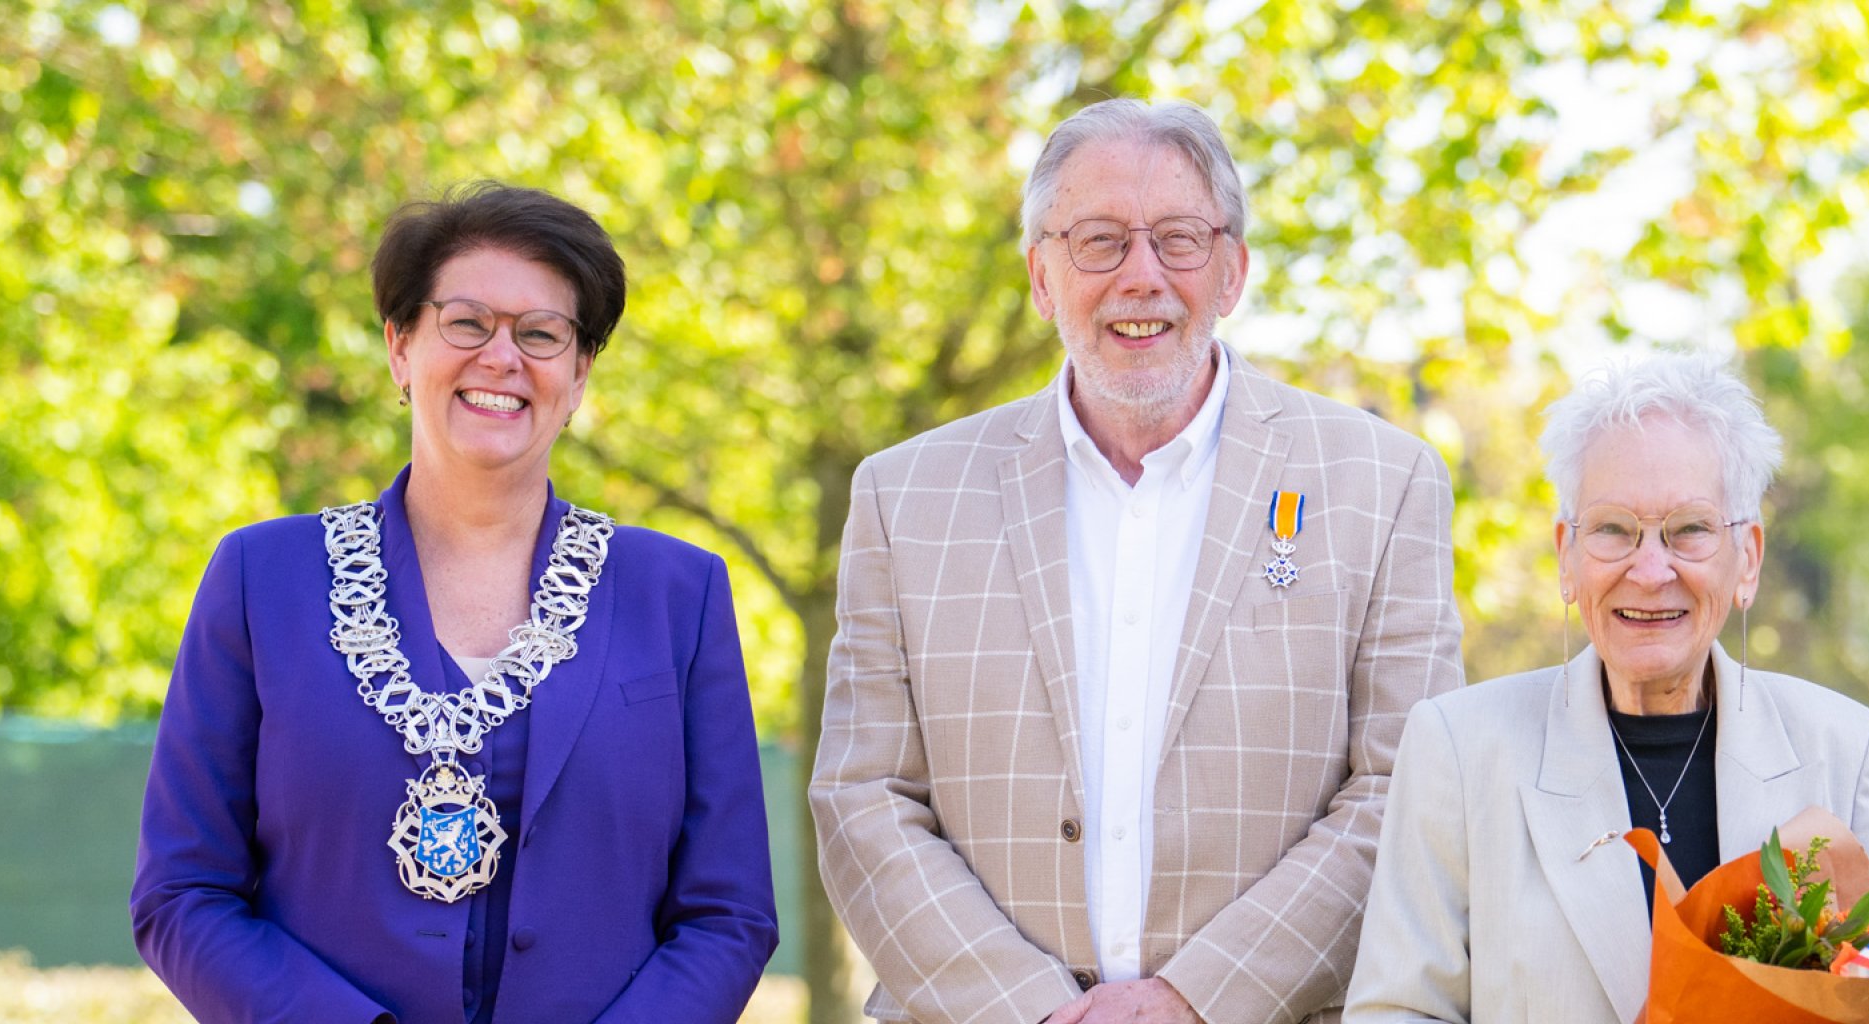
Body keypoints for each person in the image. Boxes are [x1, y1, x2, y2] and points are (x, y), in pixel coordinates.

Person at [811, 98, 1464, 1024]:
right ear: (1042, 276)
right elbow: (863, 795)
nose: (1142, 277)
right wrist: (1027, 1008)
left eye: (1180, 239)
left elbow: (1405, 786)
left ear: (1232, 269)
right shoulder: (902, 496)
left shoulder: (1383, 481)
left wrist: (1195, 1000)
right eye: (1100, 241)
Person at [130, 182, 779, 1024]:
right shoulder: (262, 578)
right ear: (401, 346)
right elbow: (182, 892)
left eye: (542, 335)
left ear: (579, 374)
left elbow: (729, 915)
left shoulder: (679, 595)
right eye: (466, 322)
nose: (502, 358)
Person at [1346, 354, 1869, 1023]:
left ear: (1748, 558)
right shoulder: (1460, 750)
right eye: (1613, 529)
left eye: (1689, 530)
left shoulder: (1847, 748)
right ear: (1567, 557)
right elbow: (1397, 1011)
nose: (1649, 569)